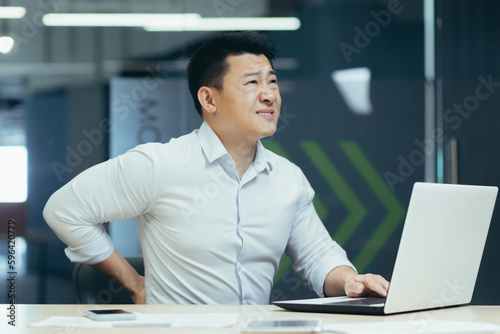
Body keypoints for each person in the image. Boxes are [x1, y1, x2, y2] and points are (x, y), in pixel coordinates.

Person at [43, 31, 389, 305]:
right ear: (209, 99)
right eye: (252, 83)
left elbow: (316, 255)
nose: (269, 94)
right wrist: (133, 282)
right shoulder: (160, 165)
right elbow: (64, 210)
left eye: (272, 81)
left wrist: (348, 280)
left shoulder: (287, 178)